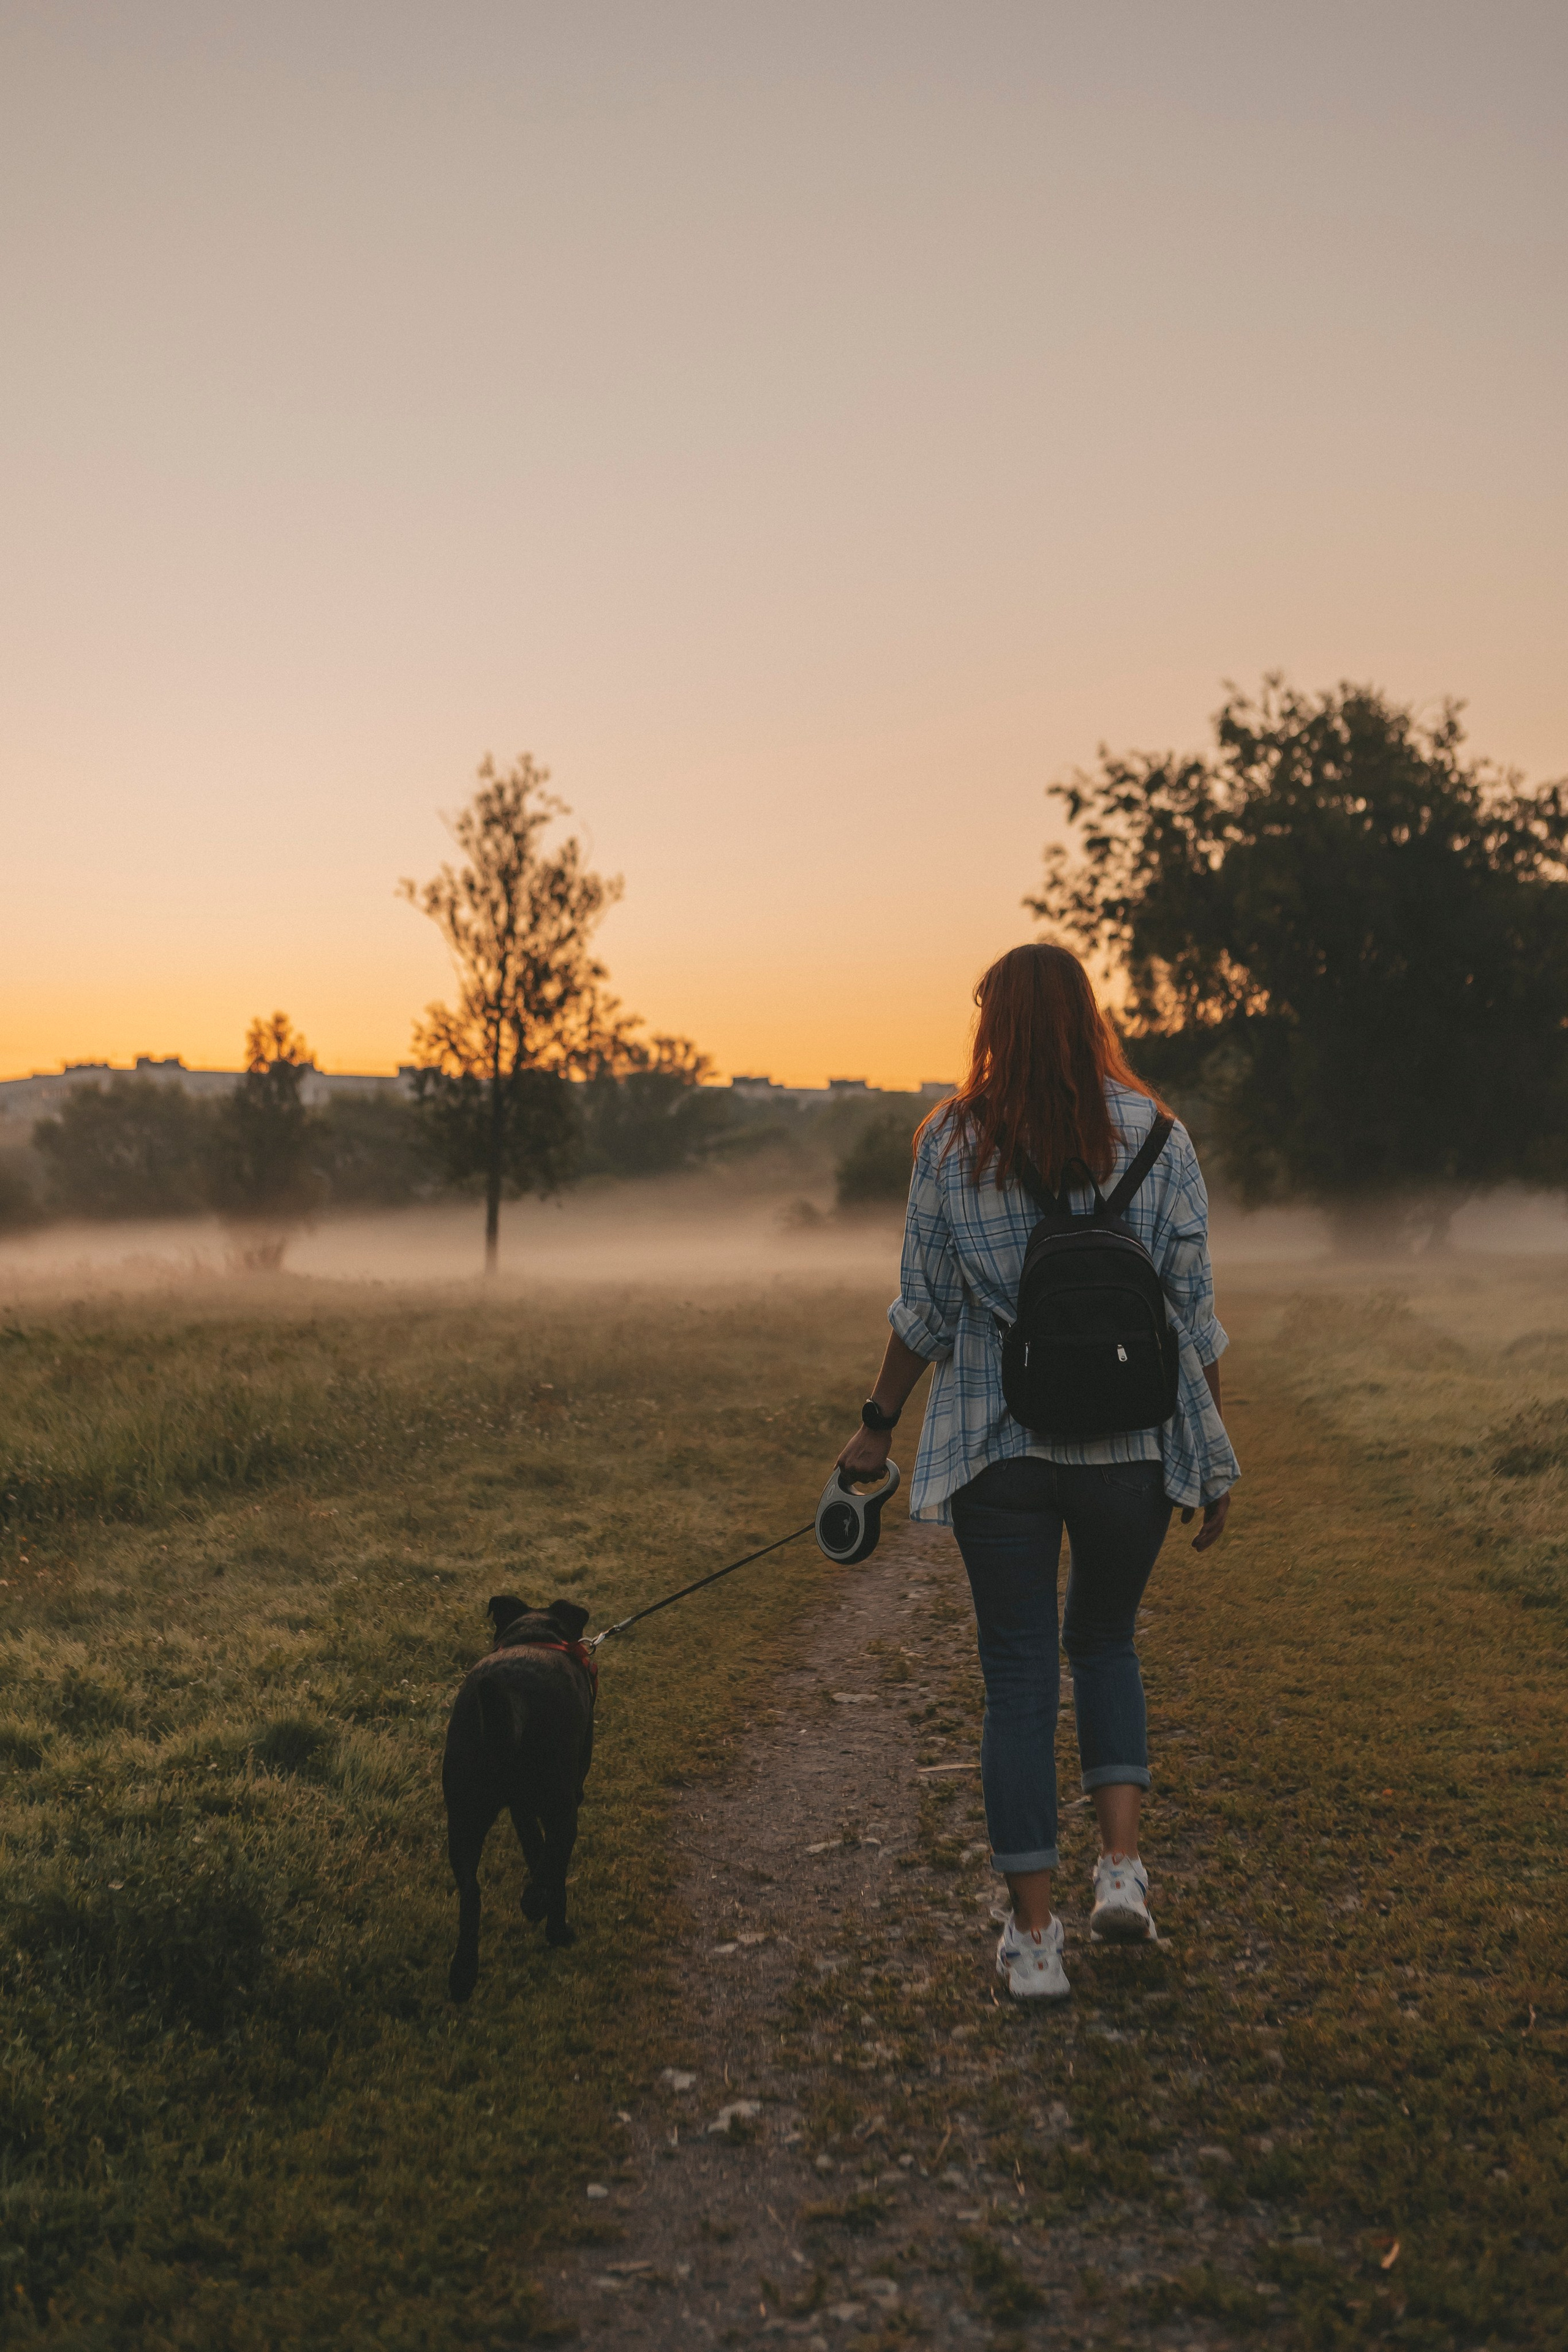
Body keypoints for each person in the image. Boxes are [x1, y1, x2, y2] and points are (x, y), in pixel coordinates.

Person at [836, 942, 1238, 2001]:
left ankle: (1035, 1944)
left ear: (991, 1024)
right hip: (1131, 1456)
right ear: (1091, 1016)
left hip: (997, 1448)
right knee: (1104, 1642)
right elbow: (1191, 1315)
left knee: (1017, 1679)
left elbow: (922, 1309)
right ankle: (1122, 1876)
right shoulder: (1160, 1135)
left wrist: (877, 1427)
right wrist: (1213, 1455)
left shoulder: (952, 1142)